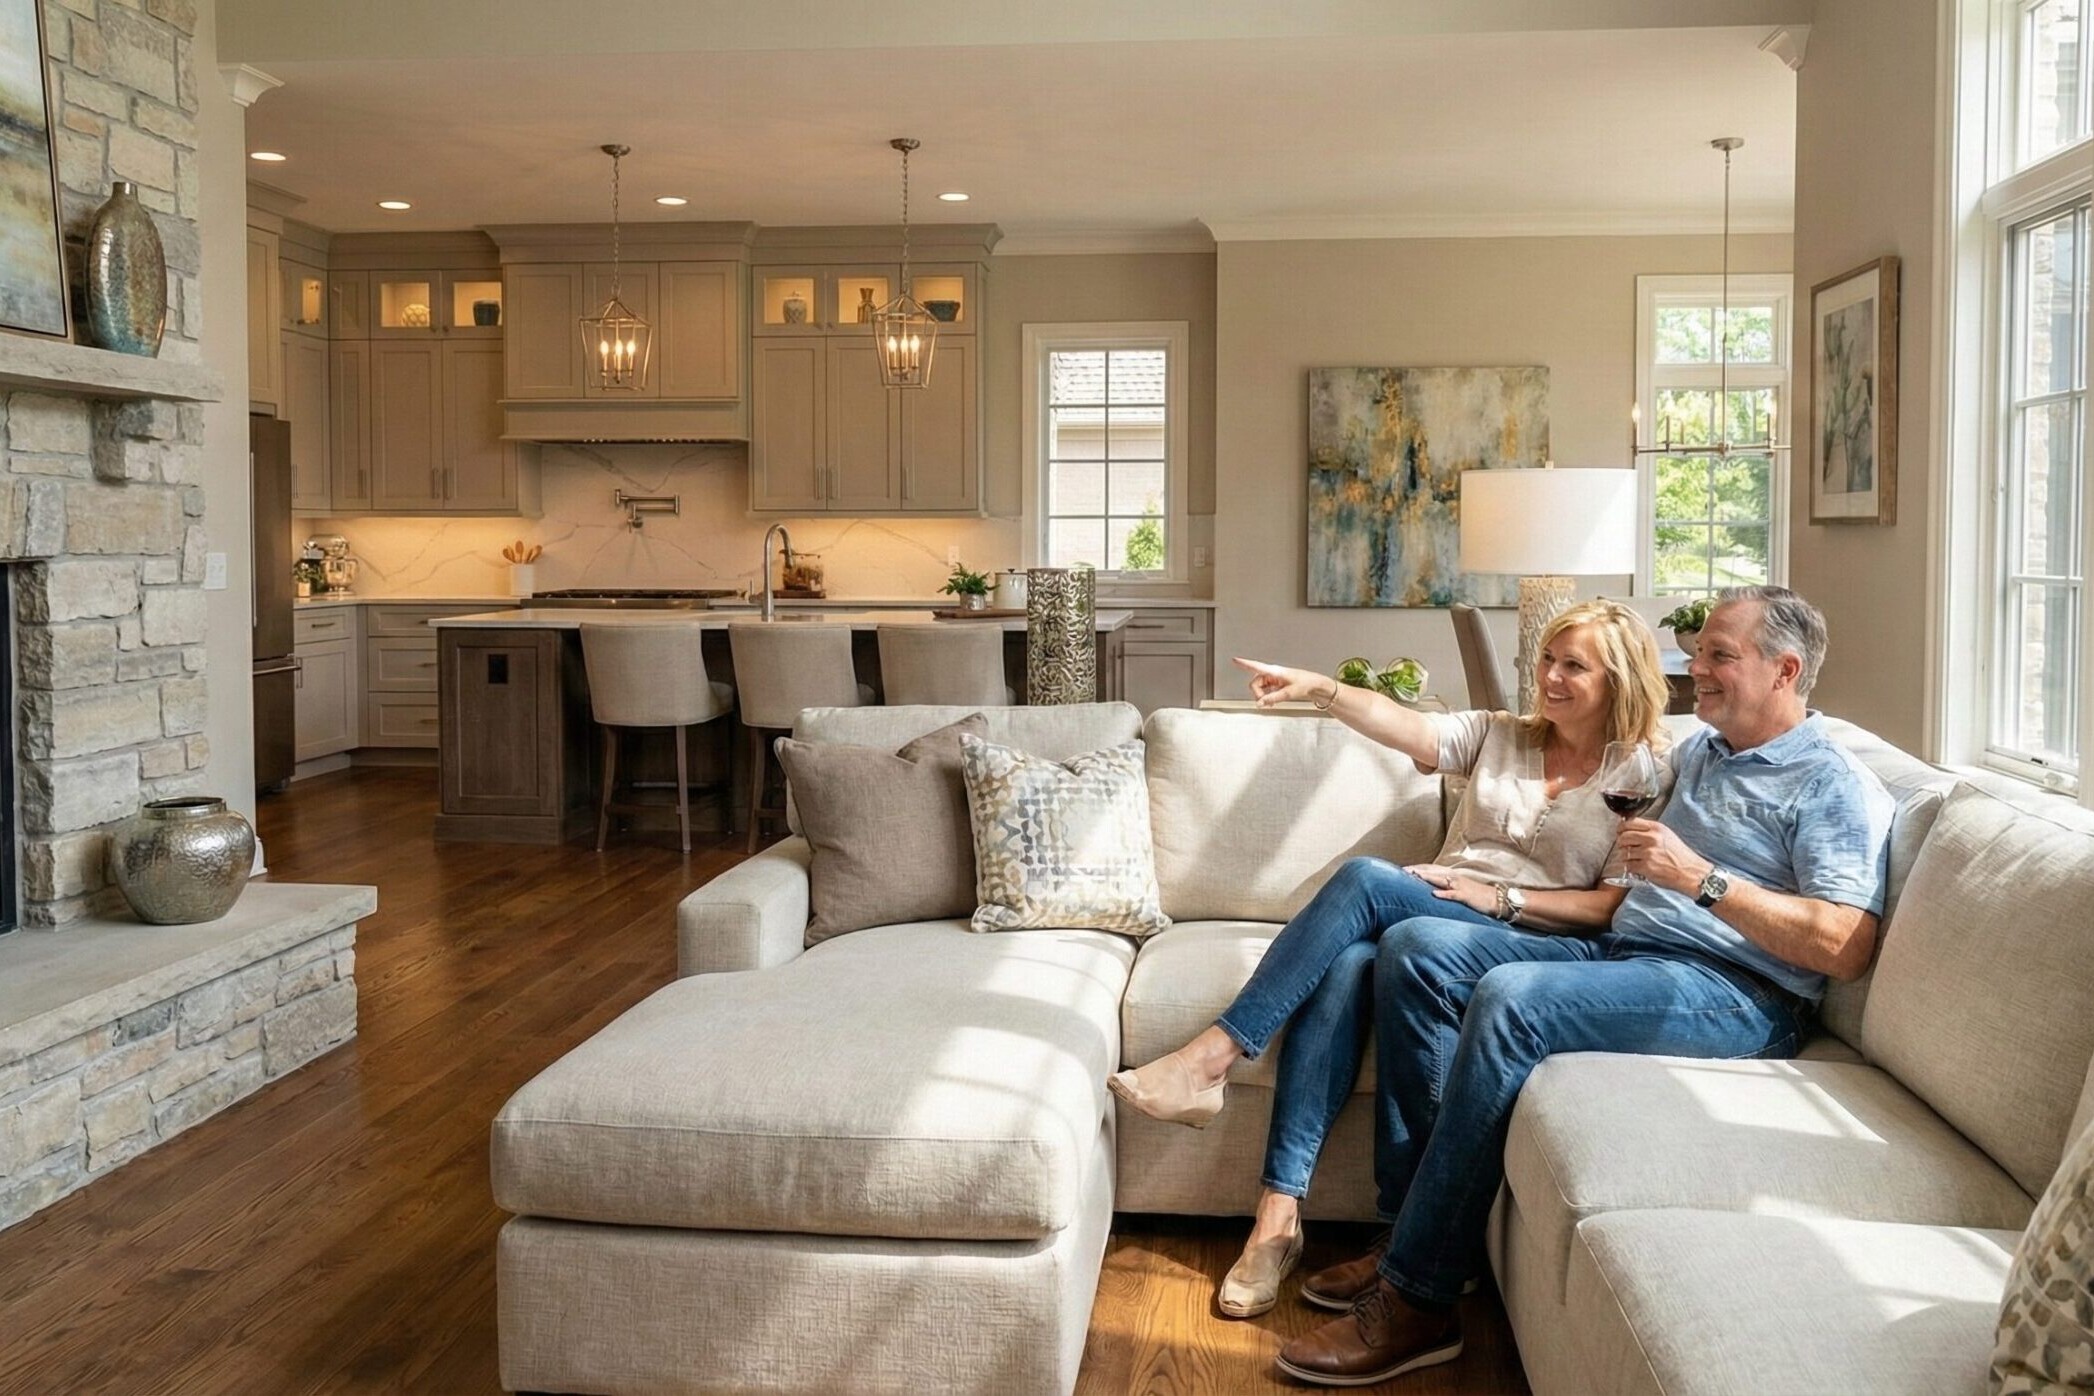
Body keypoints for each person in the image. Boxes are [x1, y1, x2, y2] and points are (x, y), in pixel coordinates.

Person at [1275, 585, 1896, 1387]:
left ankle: (1420, 1299)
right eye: (1698, 650)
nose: (1695, 668)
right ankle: (1407, 1233)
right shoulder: (1702, 750)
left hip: (1738, 992)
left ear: (1784, 671)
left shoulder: (1833, 783)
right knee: (1420, 947)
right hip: (1628, 955)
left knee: (1510, 1000)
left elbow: (1844, 946)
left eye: (1717, 656)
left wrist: (1702, 879)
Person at [1109, 599, 1673, 1319]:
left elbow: (1610, 909)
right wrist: (1320, 689)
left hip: (1540, 937)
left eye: (1573, 665)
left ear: (1619, 677)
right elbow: (1402, 723)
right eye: (1546, 661)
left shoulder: (1647, 773)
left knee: (1367, 879)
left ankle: (1213, 1057)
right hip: (1444, 914)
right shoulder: (1503, 736)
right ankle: (1276, 1219)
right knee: (1347, 968)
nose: (1550, 677)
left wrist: (1494, 896)